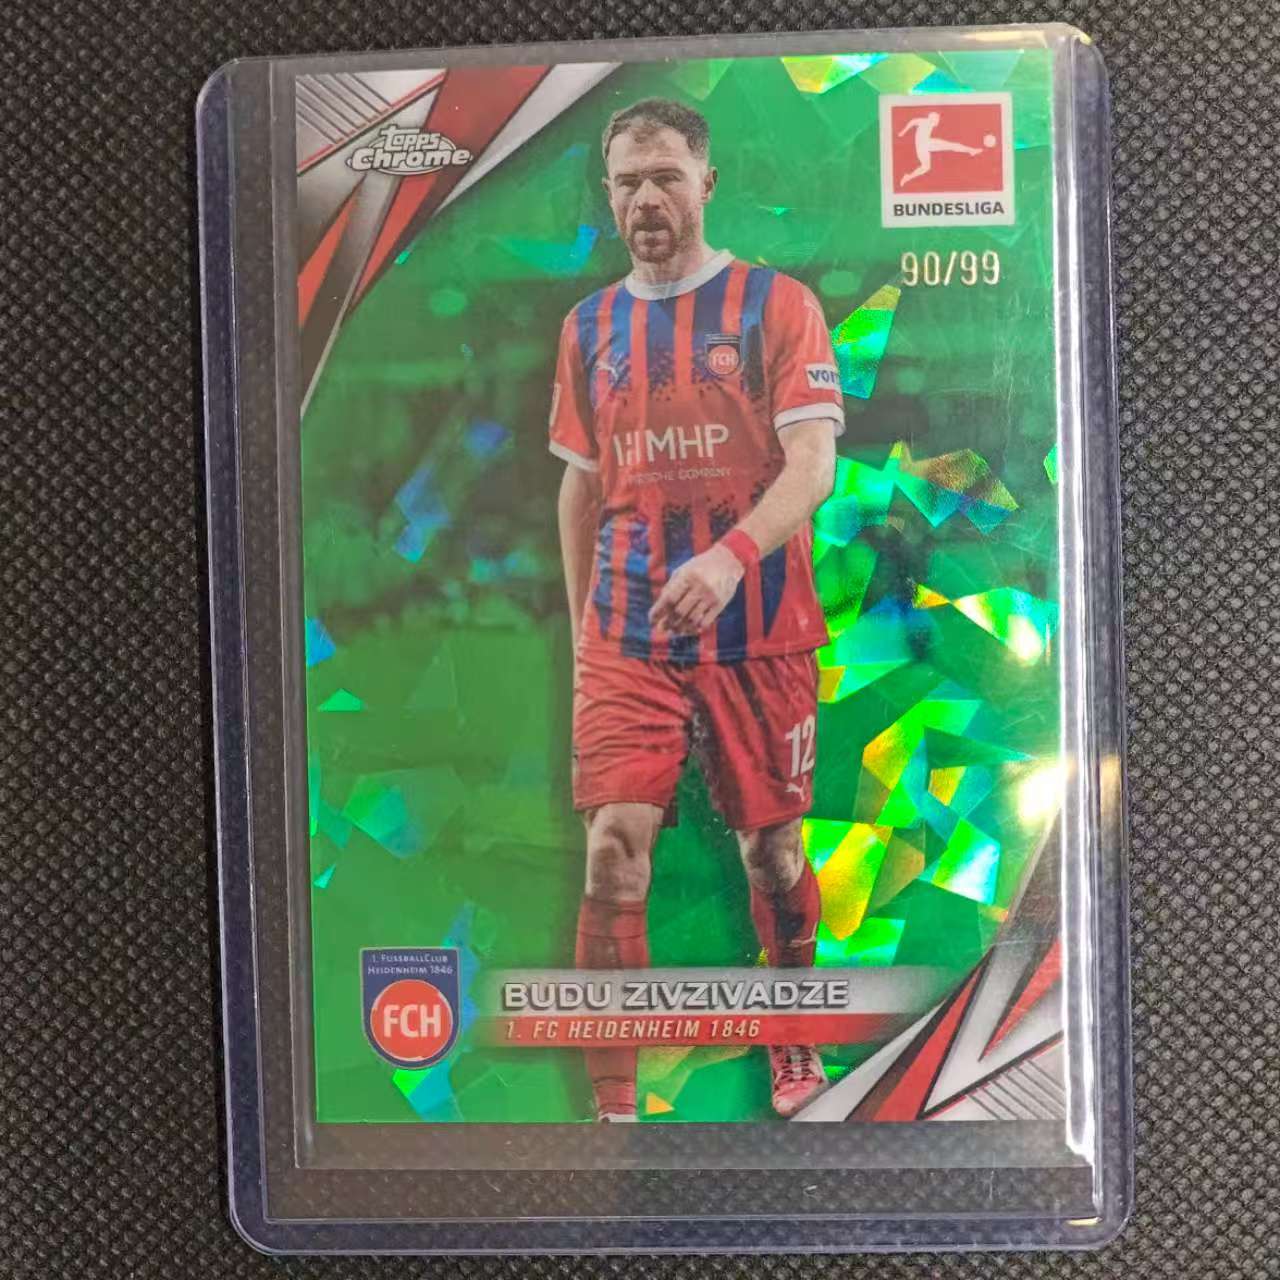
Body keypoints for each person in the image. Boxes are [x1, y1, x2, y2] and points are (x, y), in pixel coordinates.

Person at [549, 98, 843, 1121]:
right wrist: (585, 635)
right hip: (628, 638)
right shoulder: (588, 326)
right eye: (627, 181)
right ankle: (614, 1107)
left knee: (772, 852)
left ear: (705, 184)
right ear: (608, 193)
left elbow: (813, 464)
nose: (646, 198)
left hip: (759, 630)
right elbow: (581, 485)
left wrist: (728, 557)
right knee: (611, 851)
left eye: (665, 177)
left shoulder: (776, 305)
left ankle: (792, 1039)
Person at [897, 110, 984, 185]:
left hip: (921, 147)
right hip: (926, 143)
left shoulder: (927, 123)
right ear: (932, 118)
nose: (938, 121)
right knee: (952, 146)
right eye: (937, 119)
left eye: (938, 119)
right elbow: (913, 121)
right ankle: (971, 150)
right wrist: (903, 131)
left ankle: (908, 177)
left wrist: (903, 132)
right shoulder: (925, 121)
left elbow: (913, 122)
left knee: (926, 167)